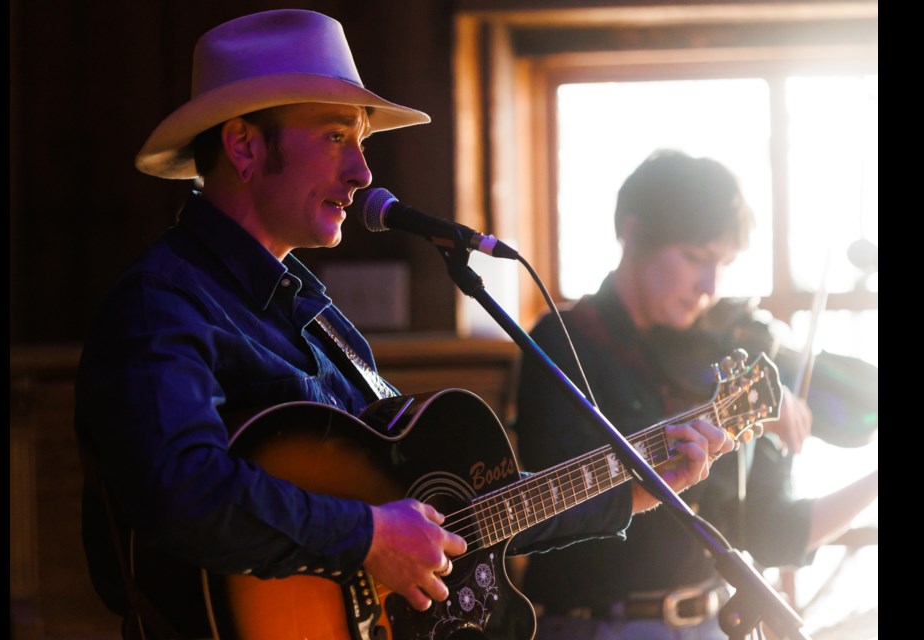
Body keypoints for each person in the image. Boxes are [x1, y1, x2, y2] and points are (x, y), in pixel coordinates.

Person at [73, 13, 735, 640]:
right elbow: (179, 490)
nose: (362, 173)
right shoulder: (162, 304)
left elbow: (450, 515)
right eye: (336, 137)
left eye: (361, 143)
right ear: (244, 145)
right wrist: (365, 536)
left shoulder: (313, 312)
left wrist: (632, 490)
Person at [513, 149, 880, 640]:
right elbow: (556, 511)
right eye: (695, 258)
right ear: (633, 233)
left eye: (723, 265)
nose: (709, 286)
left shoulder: (726, 350)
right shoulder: (562, 341)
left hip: (710, 623)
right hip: (598, 626)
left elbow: (773, 532)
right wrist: (716, 419)